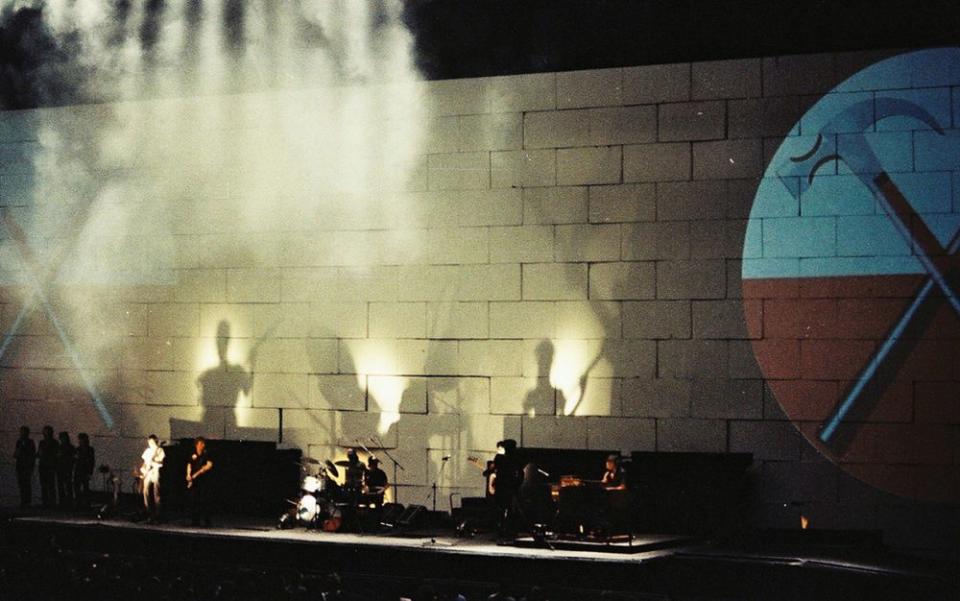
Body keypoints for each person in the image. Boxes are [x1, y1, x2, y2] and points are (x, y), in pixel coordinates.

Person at [484, 439, 522, 540]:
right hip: (511, 487)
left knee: (499, 510)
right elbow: (521, 473)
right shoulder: (516, 459)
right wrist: (517, 484)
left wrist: (487, 472)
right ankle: (510, 532)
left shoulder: (499, 458)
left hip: (501, 487)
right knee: (511, 510)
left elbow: (492, 469)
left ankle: (499, 532)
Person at [186, 437, 214, 526]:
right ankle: (195, 520)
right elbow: (189, 464)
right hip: (194, 481)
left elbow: (208, 466)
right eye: (201, 444)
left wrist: (196, 475)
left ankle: (207, 521)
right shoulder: (192, 454)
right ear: (197, 445)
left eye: (203, 444)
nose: (203, 445)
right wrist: (188, 475)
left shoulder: (207, 454)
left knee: (204, 500)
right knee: (194, 500)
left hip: (204, 480)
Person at [140, 435, 165, 522]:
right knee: (145, 491)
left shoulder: (160, 450)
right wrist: (143, 468)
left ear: (155, 442)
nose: (150, 444)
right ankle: (148, 511)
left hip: (156, 470)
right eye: (149, 442)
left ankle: (158, 513)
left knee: (156, 492)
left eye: (152, 442)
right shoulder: (147, 451)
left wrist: (153, 461)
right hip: (148, 472)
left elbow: (161, 461)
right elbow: (144, 462)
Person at [14, 426, 36, 507]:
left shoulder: (30, 442)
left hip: (26, 465)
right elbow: (16, 453)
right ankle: (23, 500)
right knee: (21, 483)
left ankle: (27, 501)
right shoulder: (19, 442)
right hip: (20, 465)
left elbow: (32, 454)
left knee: (26, 483)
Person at [37, 426, 58, 508]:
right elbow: (39, 453)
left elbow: (55, 454)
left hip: (50, 466)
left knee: (50, 485)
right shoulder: (42, 442)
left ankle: (51, 502)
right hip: (43, 465)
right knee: (44, 485)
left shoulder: (54, 443)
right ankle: (45, 502)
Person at [73, 433, 95, 508]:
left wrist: (90, 472)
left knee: (85, 487)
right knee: (77, 487)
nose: (80, 441)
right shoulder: (78, 449)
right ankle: (78, 503)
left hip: (85, 470)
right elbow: (75, 460)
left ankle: (86, 503)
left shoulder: (89, 450)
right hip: (78, 470)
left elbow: (92, 461)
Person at [56, 431, 75, 508]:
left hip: (67, 468)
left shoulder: (70, 448)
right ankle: (63, 502)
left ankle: (69, 502)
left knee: (68, 486)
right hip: (60, 469)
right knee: (61, 486)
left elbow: (72, 459)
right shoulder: (59, 447)